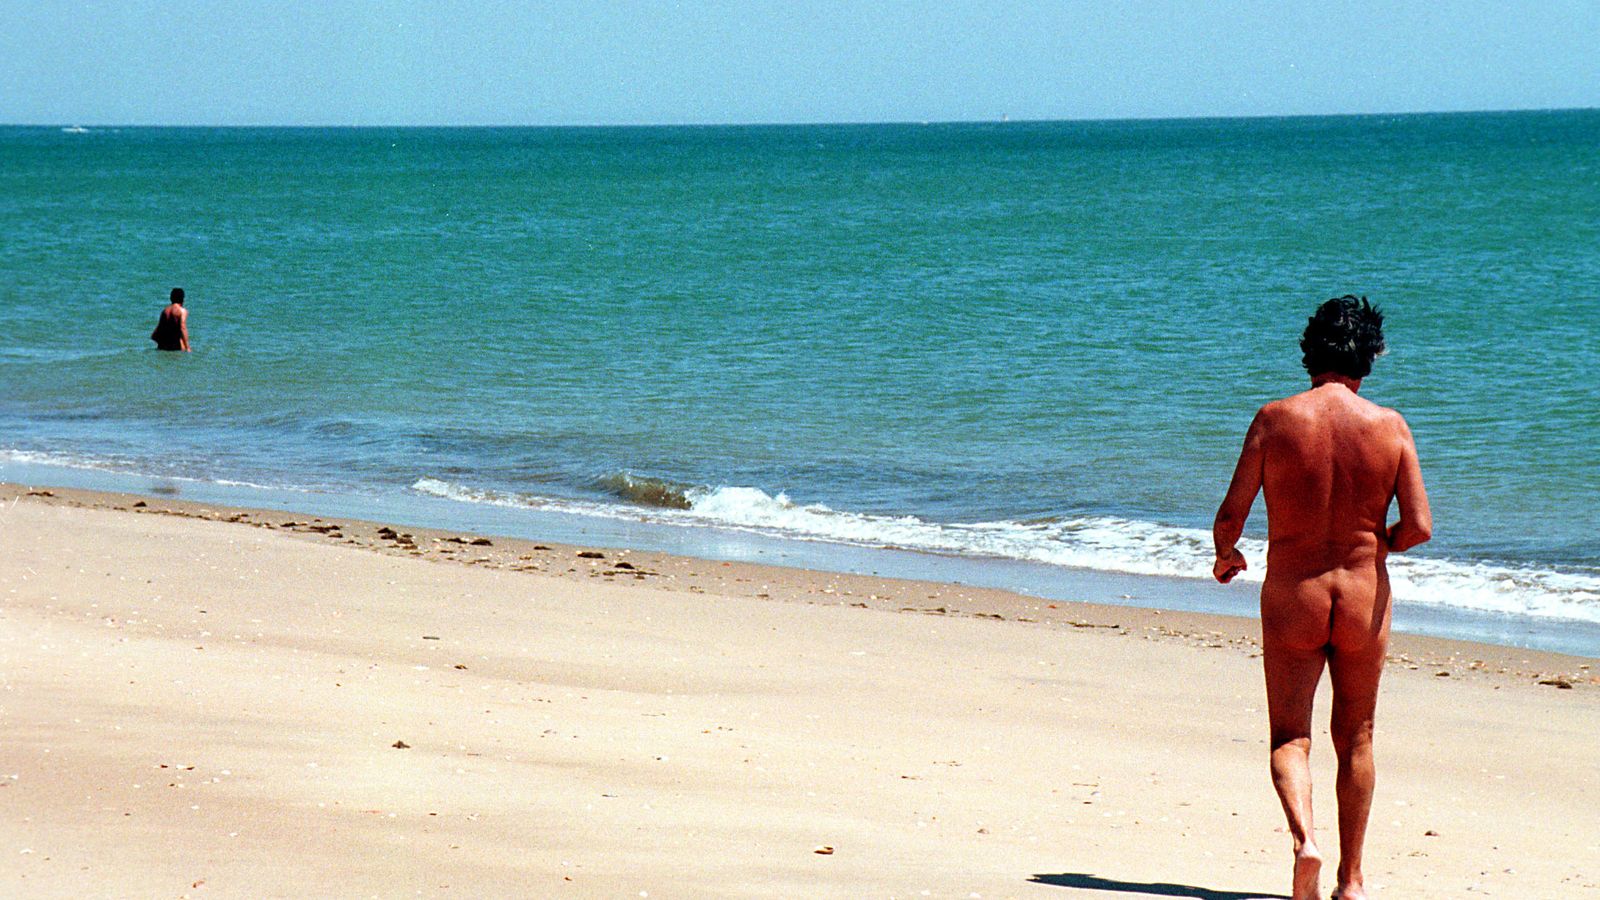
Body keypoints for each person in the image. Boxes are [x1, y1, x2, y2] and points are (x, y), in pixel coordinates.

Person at [1212, 295, 1431, 900]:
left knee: (1290, 736)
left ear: (1309, 353)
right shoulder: (1389, 426)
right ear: (1369, 358)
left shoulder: (1275, 419)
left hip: (1294, 593)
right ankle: (1352, 880)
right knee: (1356, 736)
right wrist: (1373, 544)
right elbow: (1418, 525)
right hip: (1362, 594)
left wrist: (1226, 556)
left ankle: (1305, 841)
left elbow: (1230, 516)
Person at [151, 287, 190, 352]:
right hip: (176, 346)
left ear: (171, 298)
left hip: (163, 346)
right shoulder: (182, 311)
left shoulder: (165, 311)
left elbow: (156, 333)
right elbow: (182, 327)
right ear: (182, 299)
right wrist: (188, 347)